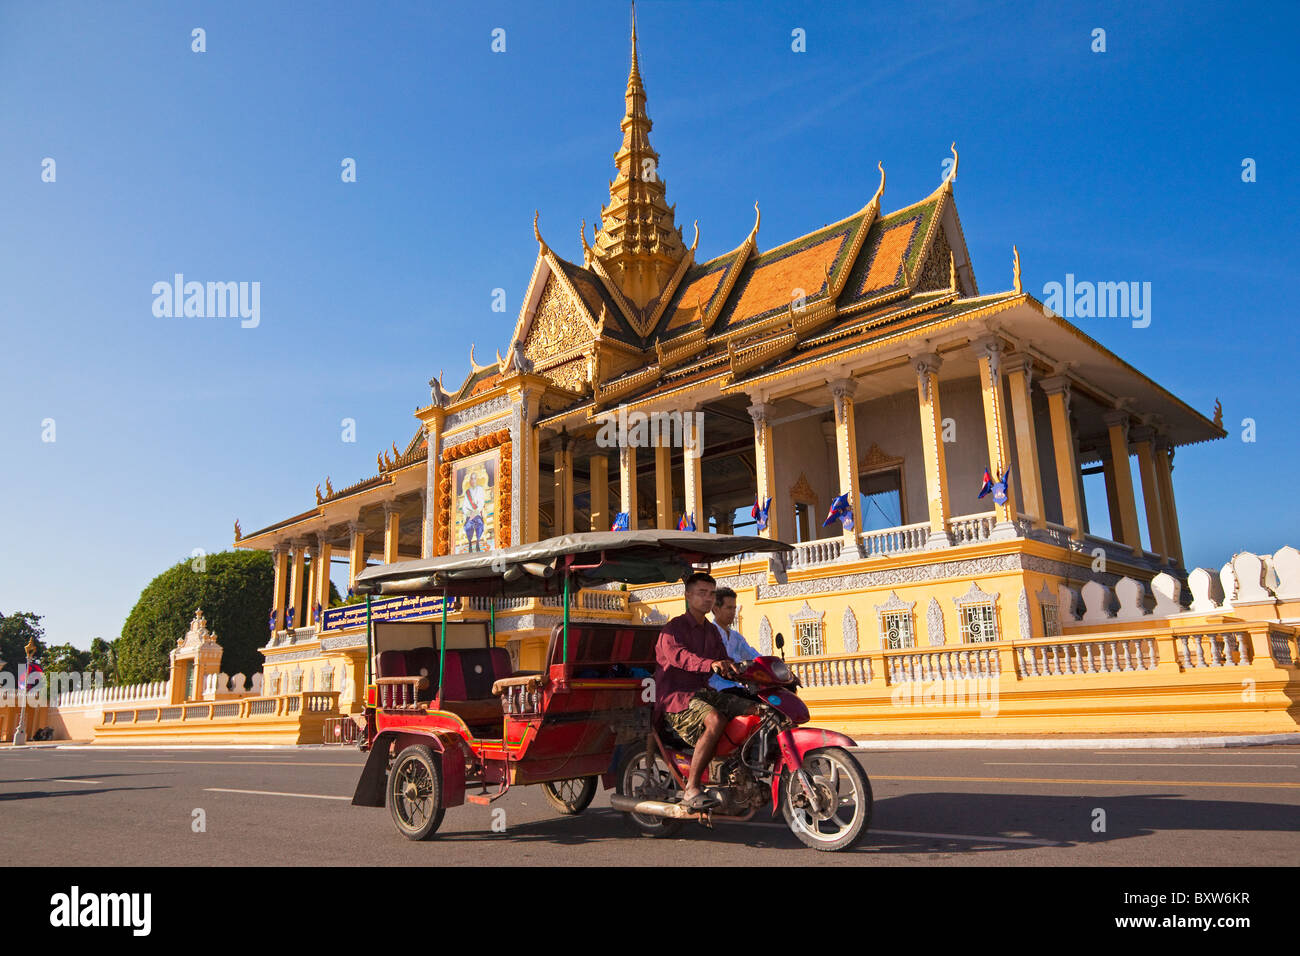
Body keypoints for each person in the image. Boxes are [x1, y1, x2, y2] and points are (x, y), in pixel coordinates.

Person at [653, 572, 757, 810]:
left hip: (702, 692)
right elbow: (680, 657)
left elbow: (725, 660)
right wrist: (709, 664)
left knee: (757, 710)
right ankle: (691, 788)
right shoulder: (673, 629)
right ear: (688, 596)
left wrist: (753, 672)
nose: (708, 598)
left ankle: (740, 771)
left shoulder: (710, 631)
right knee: (715, 719)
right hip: (676, 697)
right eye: (702, 593)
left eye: (711, 593)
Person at [708, 586, 761, 692]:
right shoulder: (707, 634)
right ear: (716, 609)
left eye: (734, 608)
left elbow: (752, 655)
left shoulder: (736, 637)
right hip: (717, 688)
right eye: (729, 608)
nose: (733, 612)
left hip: (737, 686)